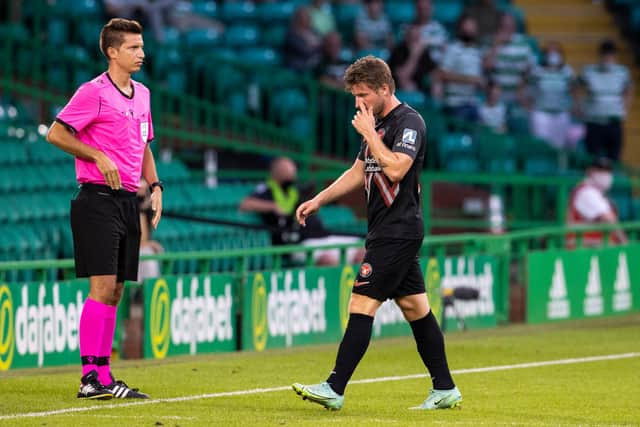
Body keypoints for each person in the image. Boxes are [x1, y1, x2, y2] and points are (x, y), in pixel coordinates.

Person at [291, 56, 462, 411]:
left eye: (363, 94)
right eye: (354, 96)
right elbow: (359, 171)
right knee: (417, 308)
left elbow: (398, 169)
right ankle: (445, 388)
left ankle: (334, 387)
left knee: (361, 303)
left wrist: (370, 133)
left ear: (385, 88)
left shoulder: (409, 122)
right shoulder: (379, 122)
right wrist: (318, 199)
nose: (358, 104)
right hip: (386, 230)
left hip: (398, 231)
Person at [46, 18, 163, 400]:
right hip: (96, 198)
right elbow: (57, 132)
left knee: (115, 291)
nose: (141, 54)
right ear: (112, 52)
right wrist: (97, 155)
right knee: (101, 287)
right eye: (132, 48)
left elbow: (145, 144)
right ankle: (89, 377)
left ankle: (104, 374)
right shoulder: (93, 92)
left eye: (142, 47)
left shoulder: (143, 94)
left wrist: (156, 185)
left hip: (129, 200)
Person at [239, 157, 363, 266]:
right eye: (287, 173)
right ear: (276, 173)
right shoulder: (266, 189)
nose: (292, 176)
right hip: (298, 243)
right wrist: (272, 206)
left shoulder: (293, 191)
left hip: (323, 236)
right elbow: (245, 204)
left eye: (292, 173)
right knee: (328, 259)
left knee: (362, 252)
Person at [576, 39, 633, 162]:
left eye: (610, 54)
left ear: (615, 56)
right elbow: (577, 89)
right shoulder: (589, 71)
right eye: (605, 54)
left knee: (614, 159)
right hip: (594, 122)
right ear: (600, 55)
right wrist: (579, 106)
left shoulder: (622, 72)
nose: (607, 57)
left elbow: (628, 90)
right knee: (592, 159)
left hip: (614, 122)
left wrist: (625, 108)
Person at [528, 41, 580, 150]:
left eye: (555, 51)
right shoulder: (537, 71)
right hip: (541, 114)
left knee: (558, 147)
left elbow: (574, 88)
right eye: (549, 52)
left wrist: (575, 105)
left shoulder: (567, 71)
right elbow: (524, 85)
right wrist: (527, 104)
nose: (553, 55)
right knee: (541, 146)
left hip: (561, 114)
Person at [566, 157, 628, 248]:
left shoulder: (598, 192)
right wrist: (626, 244)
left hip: (594, 249)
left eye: (607, 171)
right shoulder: (586, 192)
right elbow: (609, 219)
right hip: (583, 249)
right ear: (590, 171)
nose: (605, 175)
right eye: (601, 170)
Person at [438, 15, 484, 122]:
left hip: (473, 102)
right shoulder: (453, 49)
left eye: (472, 28)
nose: (469, 30)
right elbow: (442, 74)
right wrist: (469, 80)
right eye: (466, 27)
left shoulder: (477, 52)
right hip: (455, 103)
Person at [387, 23, 437, 93]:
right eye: (412, 37)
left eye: (416, 38)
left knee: (436, 82)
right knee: (406, 83)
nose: (414, 41)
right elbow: (403, 76)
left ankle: (436, 103)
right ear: (406, 37)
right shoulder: (398, 51)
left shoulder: (423, 52)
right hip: (398, 86)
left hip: (420, 83)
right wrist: (414, 56)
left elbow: (433, 70)